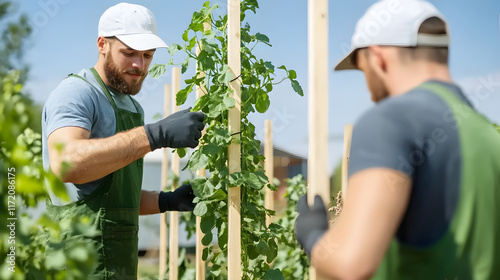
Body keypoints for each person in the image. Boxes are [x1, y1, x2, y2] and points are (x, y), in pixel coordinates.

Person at [295, 0, 500, 279]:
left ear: (378, 58)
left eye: (364, 71)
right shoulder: (487, 135)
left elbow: (351, 266)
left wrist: (313, 234)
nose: (370, 92)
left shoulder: (390, 121)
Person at [41, 3, 205, 278]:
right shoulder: (77, 93)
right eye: (128, 53)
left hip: (120, 265)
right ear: (102, 44)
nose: (139, 65)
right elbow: (66, 164)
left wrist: (167, 201)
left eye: (147, 55)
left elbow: (111, 198)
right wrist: (154, 135)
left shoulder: (132, 108)